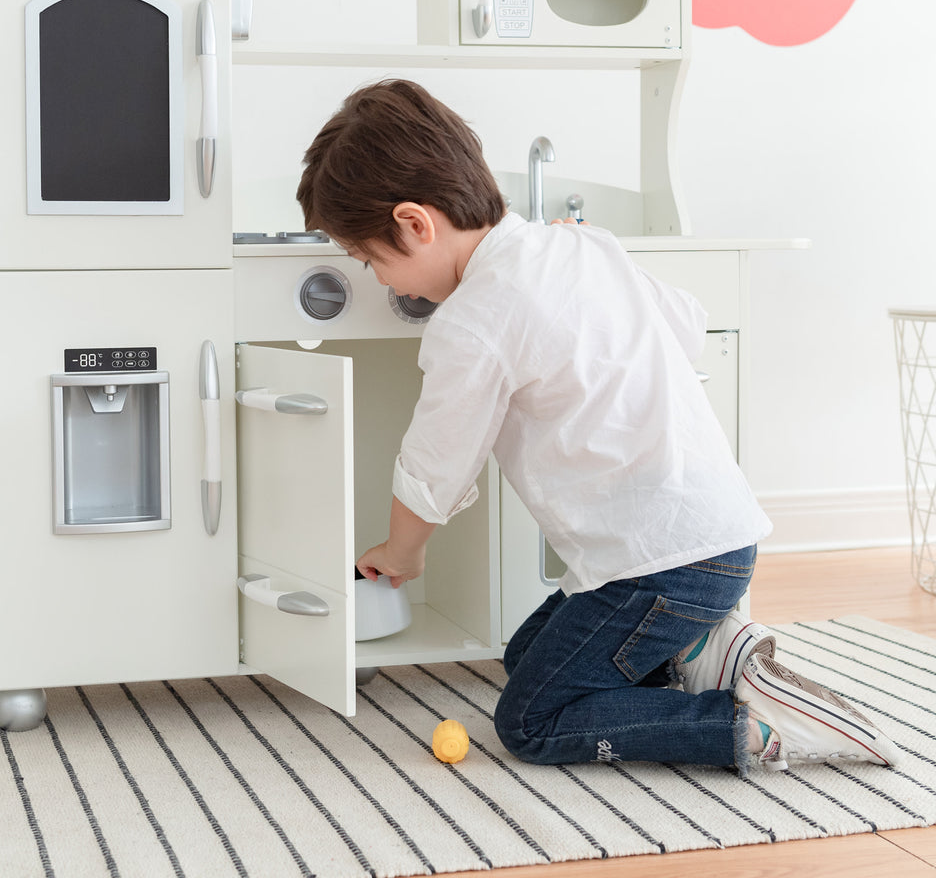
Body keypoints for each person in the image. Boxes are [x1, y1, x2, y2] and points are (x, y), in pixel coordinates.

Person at [296, 78, 900, 776]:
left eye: (373, 261)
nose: (382, 283)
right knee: (528, 659)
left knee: (532, 719)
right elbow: (687, 328)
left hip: (663, 568)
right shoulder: (583, 249)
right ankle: (702, 655)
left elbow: (436, 462)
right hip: (716, 546)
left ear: (415, 224)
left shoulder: (474, 319)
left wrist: (404, 551)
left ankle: (752, 726)